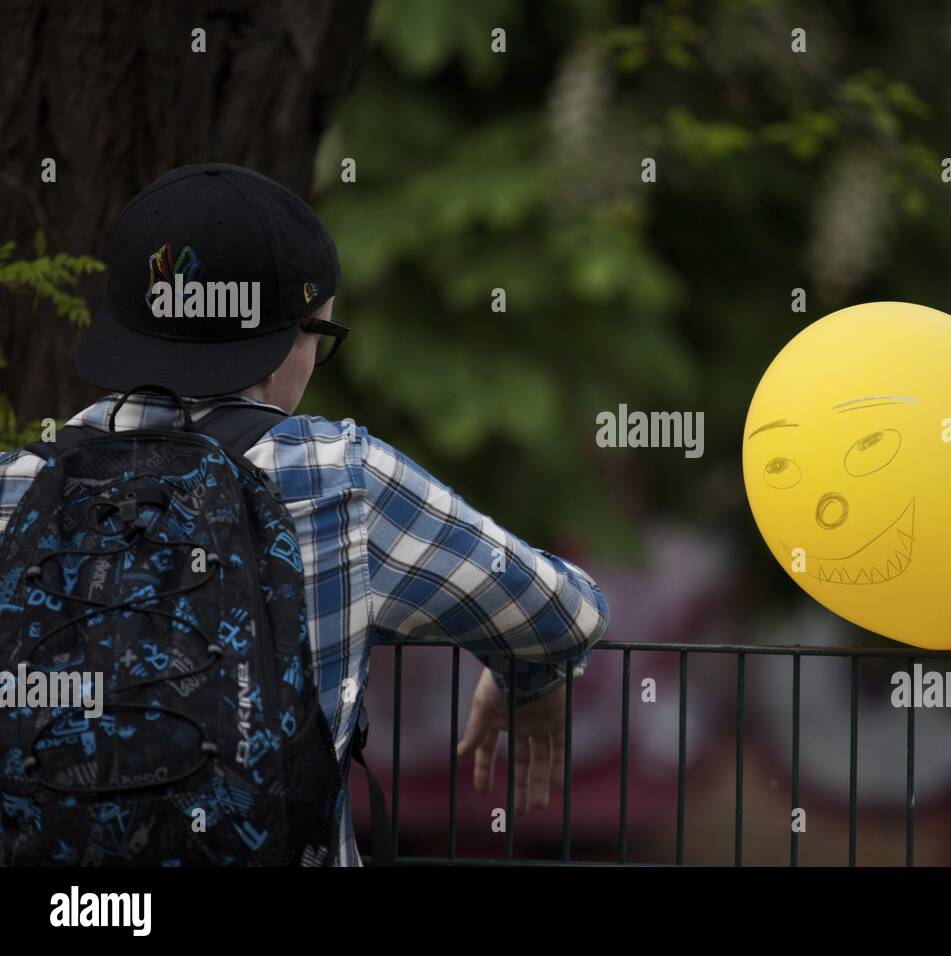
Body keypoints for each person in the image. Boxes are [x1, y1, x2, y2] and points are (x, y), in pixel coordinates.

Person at [0, 163, 609, 865]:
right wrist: (527, 682)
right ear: (284, 342)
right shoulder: (341, 478)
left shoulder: (18, 488)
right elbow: (565, 613)